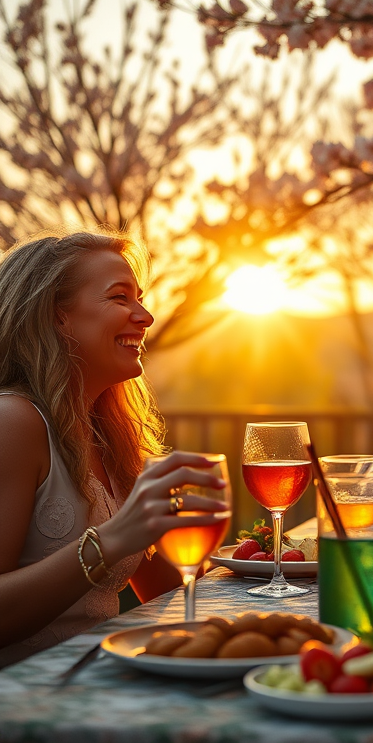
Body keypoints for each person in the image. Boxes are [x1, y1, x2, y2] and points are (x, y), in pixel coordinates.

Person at [0, 231, 228, 667]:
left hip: (99, 681)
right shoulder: (14, 422)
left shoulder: (109, 435)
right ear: (57, 317)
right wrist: (114, 537)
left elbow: (166, 595)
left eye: (139, 298)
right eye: (120, 297)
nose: (146, 316)